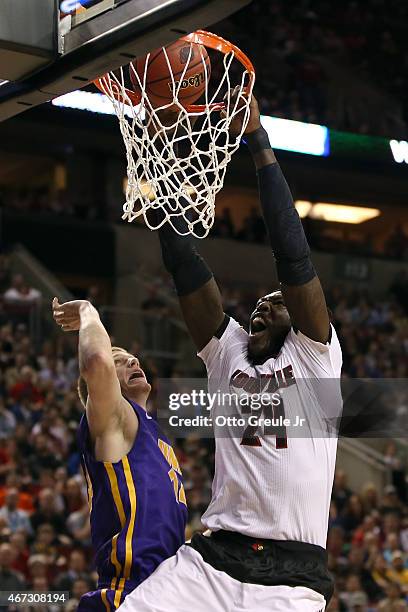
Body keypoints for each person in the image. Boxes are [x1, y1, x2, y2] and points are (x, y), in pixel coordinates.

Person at [118, 92, 342, 612]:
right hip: (212, 559)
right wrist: (155, 150)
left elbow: (292, 253)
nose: (264, 304)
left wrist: (259, 142)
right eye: (259, 302)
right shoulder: (228, 356)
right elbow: (184, 263)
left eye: (278, 302)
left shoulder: (316, 357)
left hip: (291, 574)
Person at [52, 298, 187, 610]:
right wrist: (88, 310)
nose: (132, 361)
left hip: (170, 594)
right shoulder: (115, 421)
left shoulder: (156, 434)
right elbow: (96, 362)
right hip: (128, 595)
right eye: (121, 360)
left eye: (133, 357)